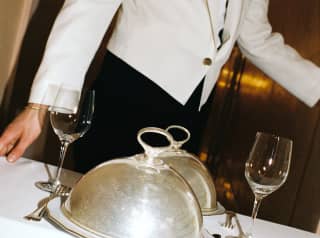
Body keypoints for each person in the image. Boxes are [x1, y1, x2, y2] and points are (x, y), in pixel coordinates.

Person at [0, 0, 319, 173]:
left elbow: (256, 39)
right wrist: (38, 107)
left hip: (191, 114)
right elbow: (87, 10)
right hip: (128, 97)